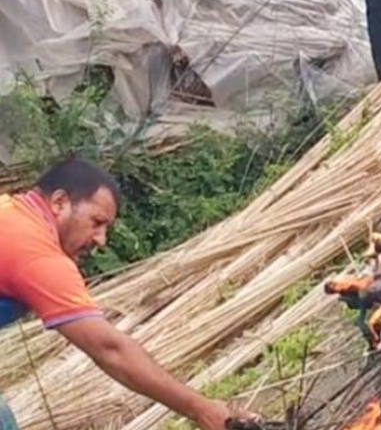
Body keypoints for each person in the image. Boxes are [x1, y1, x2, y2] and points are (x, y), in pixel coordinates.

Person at [0, 160, 256, 430]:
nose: (101, 240)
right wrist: (202, 409)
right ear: (60, 202)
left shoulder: (9, 211)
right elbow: (110, 350)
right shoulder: (36, 254)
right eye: (96, 222)